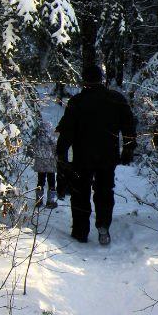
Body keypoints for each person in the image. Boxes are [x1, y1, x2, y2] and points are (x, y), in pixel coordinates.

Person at [56, 64, 136, 245]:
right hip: (108, 157)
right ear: (102, 79)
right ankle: (103, 226)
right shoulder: (116, 99)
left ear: (84, 80)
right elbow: (129, 126)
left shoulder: (77, 102)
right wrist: (128, 148)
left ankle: (80, 232)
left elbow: (67, 131)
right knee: (104, 191)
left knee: (80, 193)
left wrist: (61, 154)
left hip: (82, 157)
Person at [31, 121, 58, 209]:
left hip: (40, 165)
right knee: (51, 182)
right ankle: (50, 201)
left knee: (40, 182)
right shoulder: (53, 138)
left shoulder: (37, 138)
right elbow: (57, 150)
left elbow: (32, 149)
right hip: (51, 164)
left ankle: (39, 201)